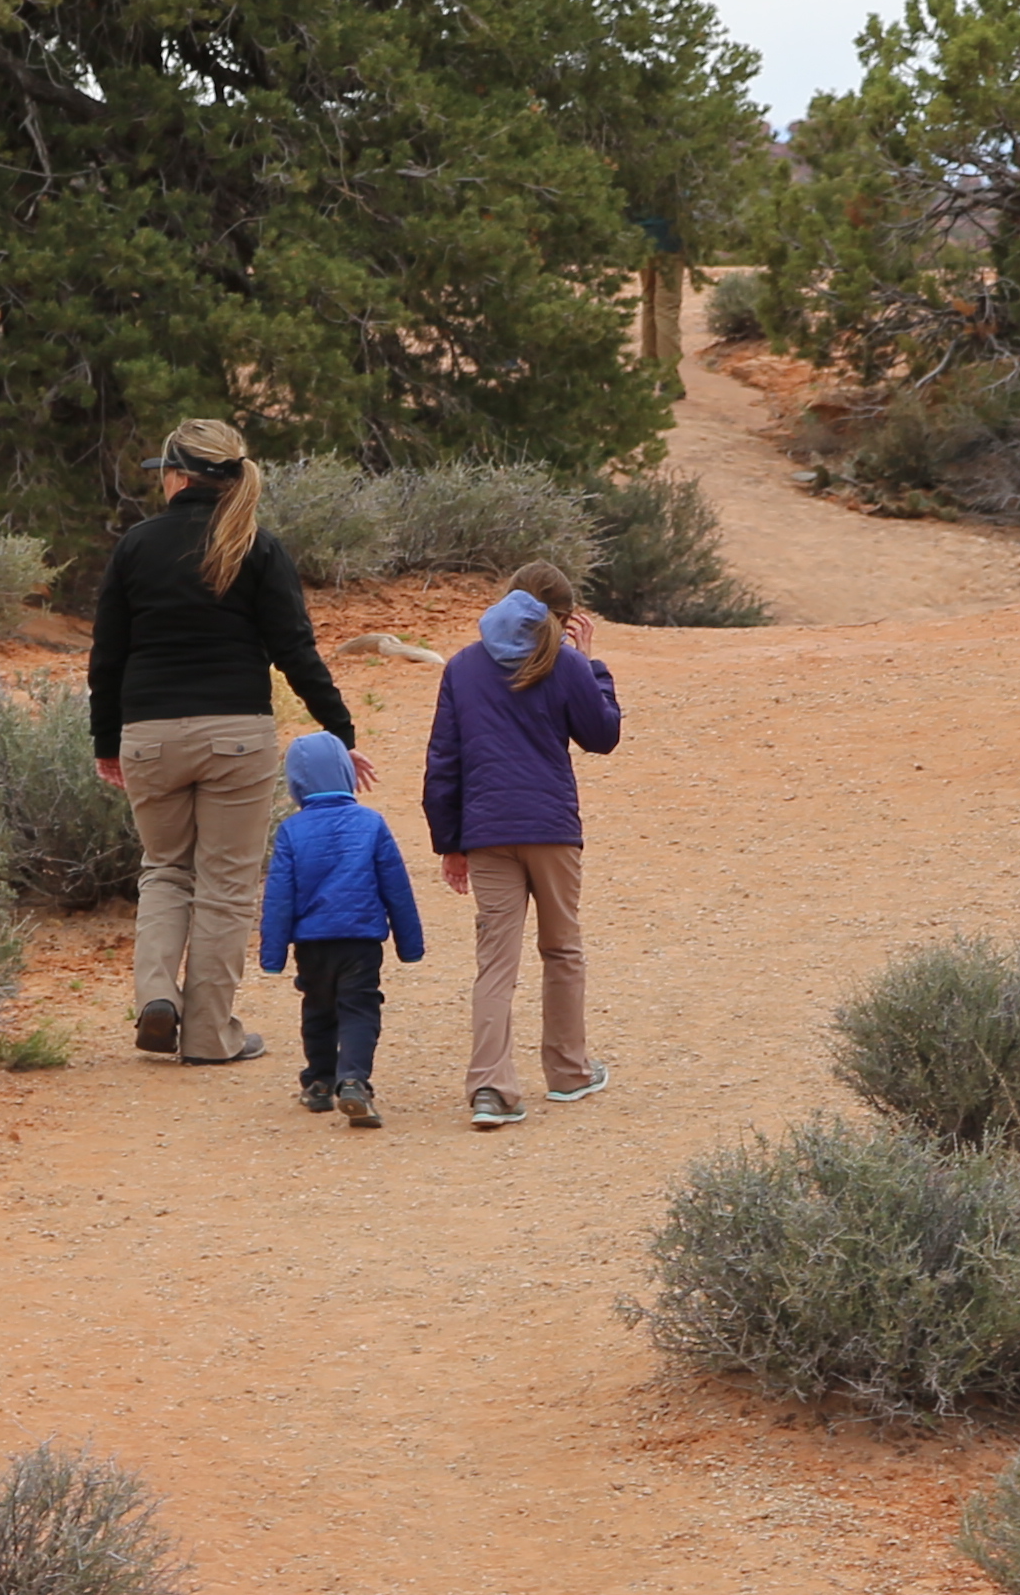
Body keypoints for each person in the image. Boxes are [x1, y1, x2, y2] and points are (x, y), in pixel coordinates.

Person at [86, 416, 358, 1065]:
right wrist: (339, 730)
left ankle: (157, 996)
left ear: (177, 476)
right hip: (238, 735)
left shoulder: (136, 547)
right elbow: (295, 651)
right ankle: (210, 1038)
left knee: (164, 870)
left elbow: (107, 658)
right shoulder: (257, 547)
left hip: (149, 734)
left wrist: (106, 741)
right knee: (227, 885)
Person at [421, 557, 620, 1129]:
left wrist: (449, 842)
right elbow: (602, 735)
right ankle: (568, 1071)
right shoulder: (563, 661)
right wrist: (591, 663)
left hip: (486, 833)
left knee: (495, 964)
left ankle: (491, 1090)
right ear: (561, 615)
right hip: (552, 830)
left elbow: (444, 762)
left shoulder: (463, 666)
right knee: (561, 950)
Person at [255, 726, 423, 1126]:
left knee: (317, 1007)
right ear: (347, 775)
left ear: (295, 785)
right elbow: (396, 887)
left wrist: (273, 954)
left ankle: (318, 1082)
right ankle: (353, 1081)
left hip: (313, 944)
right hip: (361, 940)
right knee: (359, 1007)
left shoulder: (292, 831)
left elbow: (279, 897)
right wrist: (409, 944)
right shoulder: (371, 823)